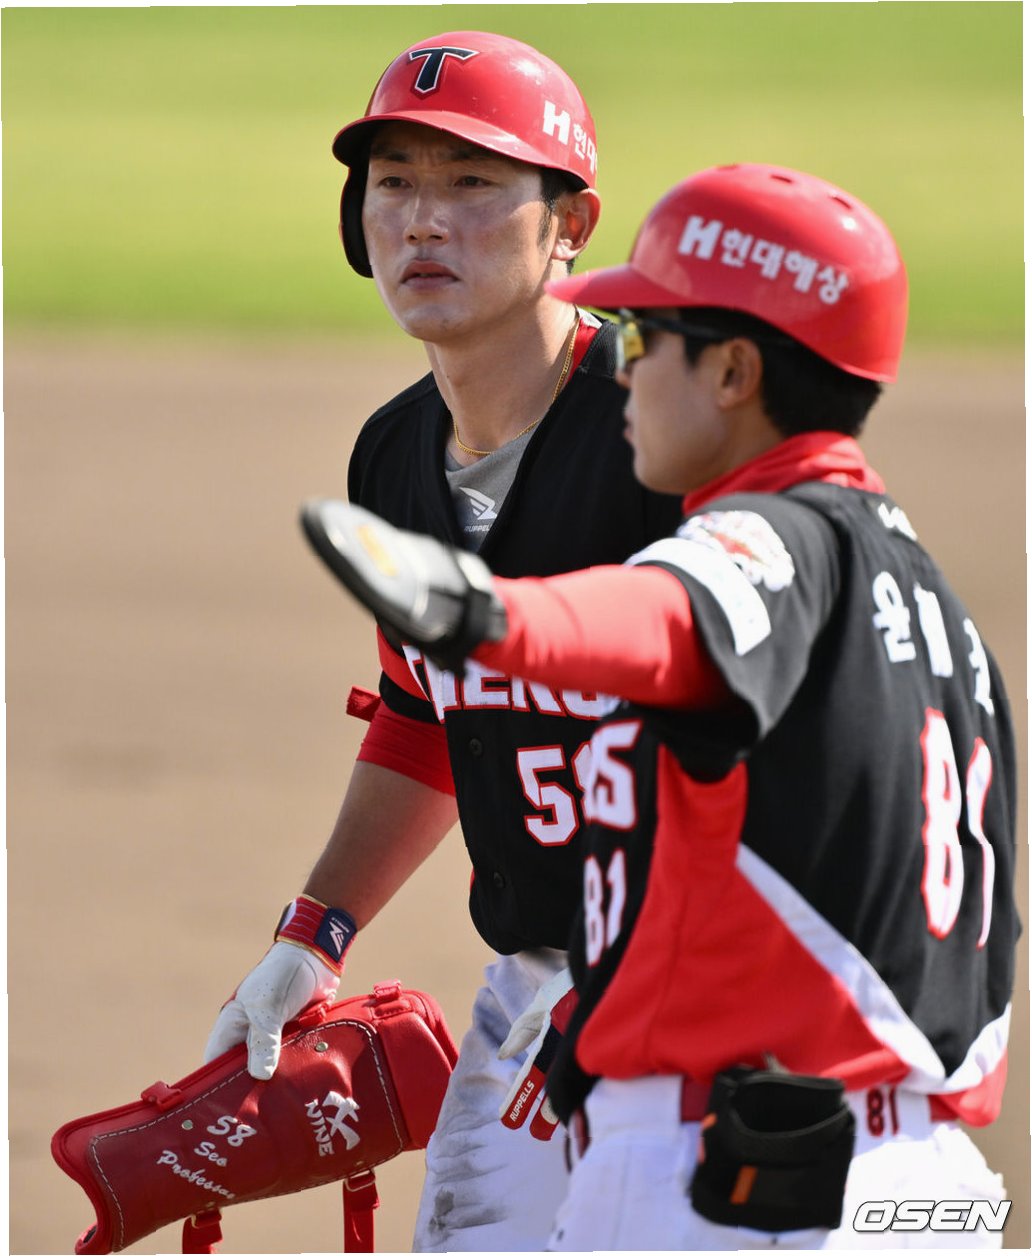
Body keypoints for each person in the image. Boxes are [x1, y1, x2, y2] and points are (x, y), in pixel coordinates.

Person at [297, 162, 1020, 1249]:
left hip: (738, 1184)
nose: (621, 368)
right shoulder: (926, 602)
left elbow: (666, 615)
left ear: (733, 371)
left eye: (646, 339)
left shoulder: (770, 543)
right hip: (907, 1174)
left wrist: (482, 612)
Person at [203, 30, 682, 1252]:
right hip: (539, 984)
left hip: (719, 977)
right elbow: (426, 707)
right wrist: (314, 933)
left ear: (571, 222)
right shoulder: (391, 456)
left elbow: (800, 737)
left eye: (472, 182)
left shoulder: (666, 431)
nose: (423, 219)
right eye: (394, 182)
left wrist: (653, 977)